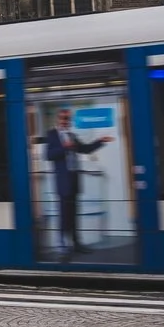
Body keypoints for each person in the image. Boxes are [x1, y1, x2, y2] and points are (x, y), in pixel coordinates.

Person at [40, 107, 111, 256]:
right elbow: (48, 155)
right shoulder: (52, 135)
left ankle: (76, 243)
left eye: (68, 119)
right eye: (64, 118)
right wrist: (64, 148)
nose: (66, 121)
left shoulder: (72, 135)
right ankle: (61, 244)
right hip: (63, 182)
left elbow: (85, 149)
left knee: (73, 214)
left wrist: (100, 141)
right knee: (64, 214)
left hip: (74, 180)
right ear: (58, 120)